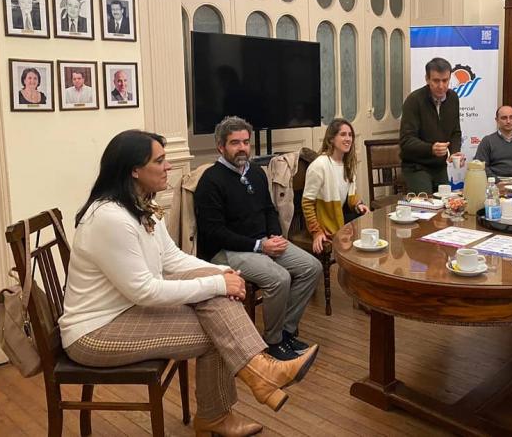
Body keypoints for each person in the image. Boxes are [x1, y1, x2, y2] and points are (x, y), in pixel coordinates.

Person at [58, 130, 319, 437]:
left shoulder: (140, 206)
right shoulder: (109, 218)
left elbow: (173, 259)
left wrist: (222, 272)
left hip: (126, 310)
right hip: (93, 332)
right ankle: (224, 408)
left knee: (218, 304)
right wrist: (219, 284)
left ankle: (258, 375)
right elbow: (145, 290)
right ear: (135, 170)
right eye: (160, 161)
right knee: (218, 331)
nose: (169, 166)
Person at [195, 116, 323, 361]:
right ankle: (273, 342)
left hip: (262, 242)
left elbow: (268, 210)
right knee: (279, 278)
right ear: (220, 147)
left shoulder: (255, 172)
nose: (242, 148)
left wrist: (274, 235)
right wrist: (259, 246)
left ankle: (286, 331)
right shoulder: (210, 181)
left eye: (246, 142)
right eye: (235, 143)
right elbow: (214, 232)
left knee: (312, 267)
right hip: (227, 251)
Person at [302, 118, 370, 254]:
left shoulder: (348, 164)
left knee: (370, 226)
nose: (348, 139)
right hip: (326, 223)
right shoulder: (319, 165)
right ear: (331, 139)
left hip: (340, 217)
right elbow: (307, 203)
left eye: (350, 135)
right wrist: (316, 232)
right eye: (343, 134)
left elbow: (351, 194)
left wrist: (358, 204)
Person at [399, 57, 464, 193]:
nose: (441, 86)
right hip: (416, 166)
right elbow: (406, 140)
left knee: (446, 202)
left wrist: (455, 152)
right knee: (426, 202)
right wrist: (431, 148)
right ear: (427, 79)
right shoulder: (414, 100)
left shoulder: (453, 98)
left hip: (439, 166)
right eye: (436, 81)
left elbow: (455, 132)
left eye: (445, 80)